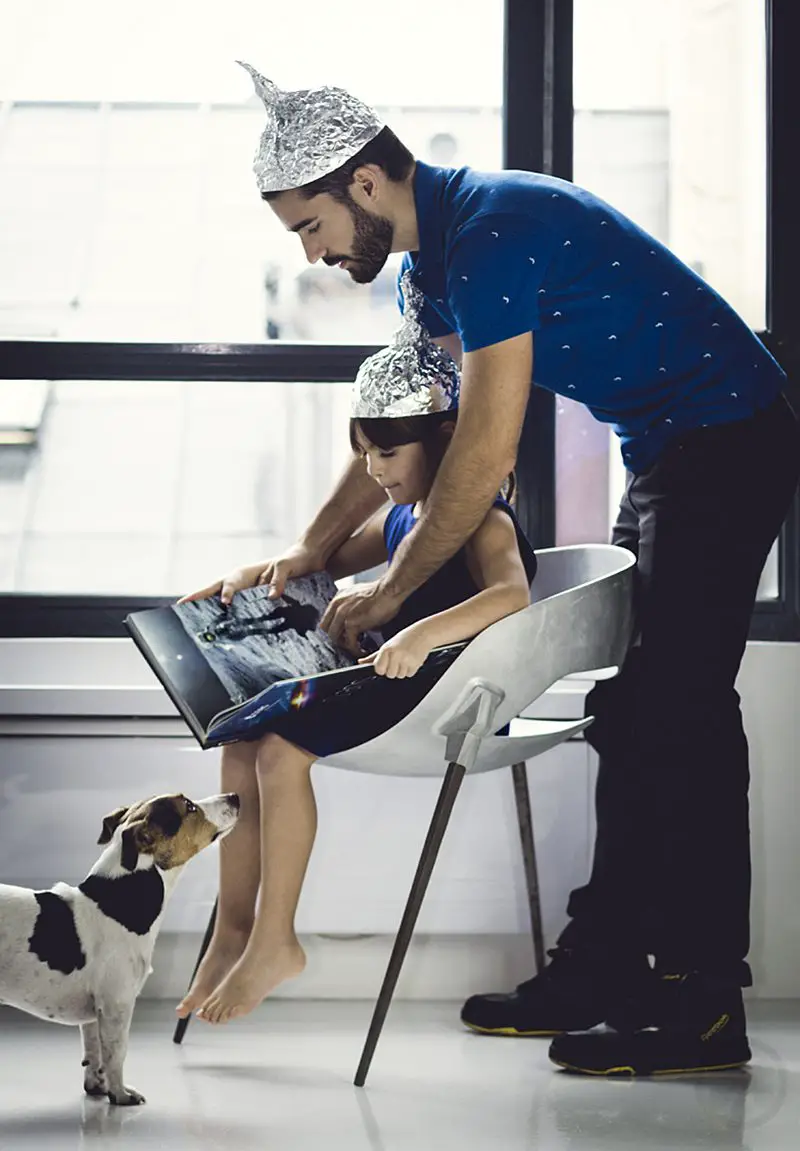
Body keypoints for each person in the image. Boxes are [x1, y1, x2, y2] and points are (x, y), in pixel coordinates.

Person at [229, 63, 800, 1075]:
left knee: (681, 713)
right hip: (666, 444)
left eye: (306, 226)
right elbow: (406, 434)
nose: (312, 254)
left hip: (729, 436)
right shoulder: (429, 267)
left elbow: (482, 456)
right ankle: (605, 961)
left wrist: (394, 592)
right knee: (637, 711)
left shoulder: (492, 231)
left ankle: (703, 999)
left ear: (363, 182)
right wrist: (315, 549)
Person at [174, 282, 537, 1025]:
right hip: (387, 679)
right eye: (364, 453)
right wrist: (255, 573)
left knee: (280, 748)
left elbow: (513, 595)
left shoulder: (480, 514)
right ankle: (237, 928)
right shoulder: (405, 511)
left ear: (441, 442)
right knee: (241, 734)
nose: (374, 470)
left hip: (446, 689)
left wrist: (416, 632)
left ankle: (277, 938)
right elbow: (328, 559)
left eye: (388, 451)